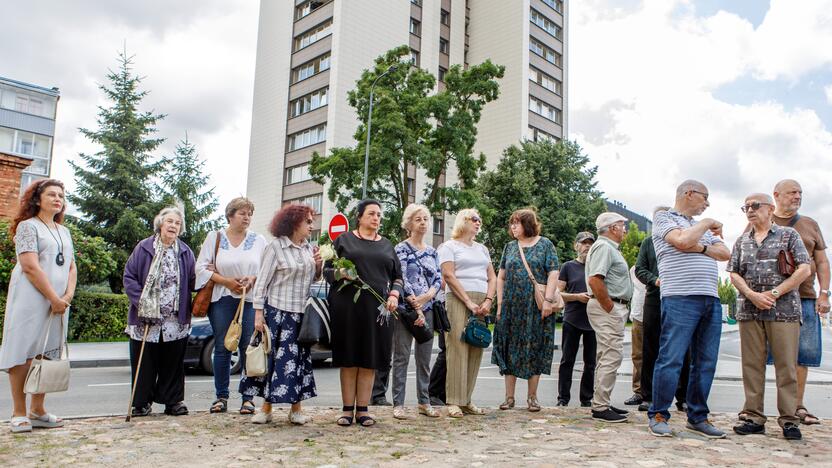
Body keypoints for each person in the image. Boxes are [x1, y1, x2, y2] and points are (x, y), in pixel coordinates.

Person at [647, 180, 731, 439]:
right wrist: (705, 225)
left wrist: (701, 245)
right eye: (705, 198)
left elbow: (725, 253)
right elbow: (682, 241)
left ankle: (697, 416)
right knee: (671, 359)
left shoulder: (698, 229)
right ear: (689, 194)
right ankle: (659, 413)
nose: (707, 204)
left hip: (710, 299)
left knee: (705, 362)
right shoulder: (663, 218)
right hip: (680, 297)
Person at [728, 193, 811, 441]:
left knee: (786, 366)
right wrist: (752, 295)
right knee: (752, 366)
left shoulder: (789, 235)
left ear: (771, 208)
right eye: (746, 207)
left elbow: (804, 269)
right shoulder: (742, 241)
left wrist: (774, 293)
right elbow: (733, 272)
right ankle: (754, 417)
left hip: (783, 311)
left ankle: (789, 420)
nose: (750, 210)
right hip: (749, 310)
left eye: (755, 206)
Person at [0, 179, 76, 433]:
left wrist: (67, 296)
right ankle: (19, 412)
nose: (58, 199)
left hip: (58, 303)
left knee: (48, 352)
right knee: (24, 353)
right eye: (52, 194)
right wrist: (53, 298)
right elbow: (30, 266)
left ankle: (38, 409)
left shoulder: (63, 231)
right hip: (31, 299)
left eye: (61, 196)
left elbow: (72, 266)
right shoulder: (27, 227)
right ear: (37, 199)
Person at [240, 203, 321, 425]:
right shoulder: (275, 248)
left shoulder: (308, 248)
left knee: (298, 363)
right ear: (295, 223)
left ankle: (296, 410)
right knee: (273, 361)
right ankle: (265, 409)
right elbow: (262, 283)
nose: (312, 226)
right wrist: (258, 314)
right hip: (277, 313)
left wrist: (319, 267)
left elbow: (312, 280)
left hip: (299, 315)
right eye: (308, 221)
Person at [324, 199, 403, 427]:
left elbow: (398, 277)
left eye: (379, 214)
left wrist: (394, 295)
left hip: (378, 311)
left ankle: (364, 410)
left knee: (369, 359)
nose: (376, 218)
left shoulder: (387, 245)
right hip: (347, 308)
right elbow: (326, 272)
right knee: (349, 359)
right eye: (371, 214)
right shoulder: (344, 240)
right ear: (359, 217)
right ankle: (348, 410)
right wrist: (341, 273)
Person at [123, 206, 196, 417]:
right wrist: (143, 303)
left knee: (172, 362)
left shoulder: (185, 251)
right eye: (170, 222)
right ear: (160, 224)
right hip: (146, 316)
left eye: (177, 223)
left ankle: (173, 402)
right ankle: (141, 403)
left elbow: (192, 281)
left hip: (174, 319)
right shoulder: (144, 247)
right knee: (144, 361)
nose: (174, 226)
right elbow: (129, 277)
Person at [196, 197, 266, 415]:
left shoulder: (259, 240)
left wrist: (253, 278)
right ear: (230, 215)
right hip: (222, 298)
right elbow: (200, 268)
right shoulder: (214, 237)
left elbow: (266, 270)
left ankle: (248, 398)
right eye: (242, 213)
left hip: (249, 298)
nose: (247, 218)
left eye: (249, 214)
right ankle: (221, 397)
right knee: (223, 345)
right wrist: (226, 281)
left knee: (248, 346)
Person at [770, 179, 829, 425]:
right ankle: (771, 407)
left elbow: (823, 261)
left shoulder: (810, 224)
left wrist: (824, 292)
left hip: (805, 297)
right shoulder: (762, 219)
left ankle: (797, 406)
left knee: (803, 355)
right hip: (771, 300)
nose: (797, 196)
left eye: (800, 193)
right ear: (776, 195)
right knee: (773, 356)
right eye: (792, 192)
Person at [493, 209, 560, 412]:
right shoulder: (510, 247)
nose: (512, 227)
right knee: (510, 348)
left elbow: (553, 272)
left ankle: (532, 397)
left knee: (535, 348)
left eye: (516, 223)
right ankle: (509, 398)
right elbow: (501, 277)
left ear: (527, 224)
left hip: (536, 306)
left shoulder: (545, 244)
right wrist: (500, 304)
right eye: (511, 223)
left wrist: (548, 300)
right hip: (512, 307)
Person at [437, 208, 497, 418]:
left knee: (476, 345)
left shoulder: (482, 249)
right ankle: (454, 400)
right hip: (458, 298)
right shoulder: (449, 246)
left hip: (481, 299)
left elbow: (492, 277)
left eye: (479, 219)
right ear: (463, 221)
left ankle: (466, 399)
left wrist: (489, 300)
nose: (478, 222)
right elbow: (449, 275)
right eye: (474, 219)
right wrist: (469, 302)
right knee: (456, 347)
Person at [391, 204, 442, 419]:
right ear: (409, 224)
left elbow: (438, 277)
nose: (423, 222)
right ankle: (398, 403)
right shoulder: (400, 248)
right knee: (401, 356)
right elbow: (400, 276)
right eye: (418, 219)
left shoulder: (432, 251)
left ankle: (424, 401)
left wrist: (428, 296)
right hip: (406, 310)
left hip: (427, 309)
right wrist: (415, 302)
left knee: (424, 358)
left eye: (425, 219)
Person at [634, 220, 690, 414]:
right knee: (650, 349)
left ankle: (683, 398)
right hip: (654, 299)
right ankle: (648, 396)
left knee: (684, 349)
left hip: (681, 299)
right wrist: (654, 280)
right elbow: (640, 269)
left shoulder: (685, 239)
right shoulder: (648, 243)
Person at [585, 212, 634, 423]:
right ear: (612, 228)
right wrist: (609, 307)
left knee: (607, 355)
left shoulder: (607, 248)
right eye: (622, 225)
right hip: (609, 306)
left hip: (611, 306)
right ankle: (600, 406)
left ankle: (601, 400)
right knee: (611, 356)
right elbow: (595, 279)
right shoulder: (604, 247)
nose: (625, 230)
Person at [556, 232, 597, 408]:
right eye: (583, 243)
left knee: (591, 363)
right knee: (567, 360)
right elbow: (557, 294)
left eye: (590, 243)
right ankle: (563, 398)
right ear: (576, 246)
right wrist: (576, 297)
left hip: (594, 320)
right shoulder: (568, 266)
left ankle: (586, 399)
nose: (587, 246)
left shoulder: (597, 266)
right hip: (572, 318)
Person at [625, 265, 645, 406]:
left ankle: (658, 392)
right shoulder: (634, 270)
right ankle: (638, 391)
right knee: (638, 355)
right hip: (639, 315)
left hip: (661, 314)